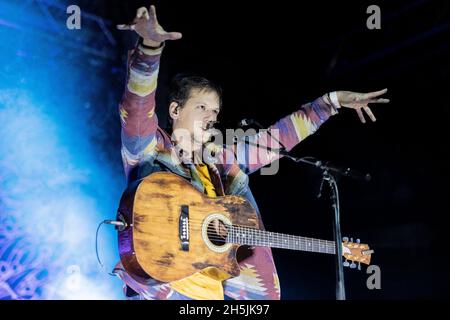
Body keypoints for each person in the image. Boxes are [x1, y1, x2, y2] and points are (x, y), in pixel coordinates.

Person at [113, 5, 389, 300]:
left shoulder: (222, 162)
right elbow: (137, 106)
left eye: (215, 111)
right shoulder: (150, 149)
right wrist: (150, 48)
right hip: (164, 284)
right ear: (175, 109)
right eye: (202, 107)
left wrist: (330, 103)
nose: (211, 116)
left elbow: (276, 139)